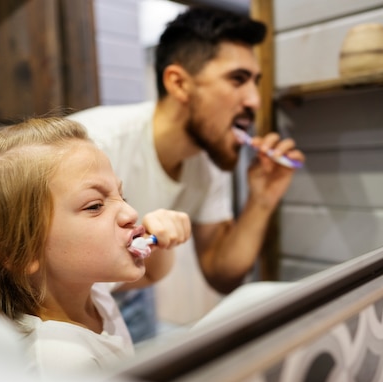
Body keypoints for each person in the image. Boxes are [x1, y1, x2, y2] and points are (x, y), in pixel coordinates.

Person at [68, 6, 305, 342]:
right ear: (178, 83)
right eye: (237, 79)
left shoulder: (206, 160)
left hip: (128, 294)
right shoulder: (93, 144)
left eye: (255, 82)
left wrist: (263, 199)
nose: (254, 100)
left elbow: (222, 273)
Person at [0, 117, 191, 378]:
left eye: (121, 196)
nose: (130, 212)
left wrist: (162, 240)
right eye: (95, 206)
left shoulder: (84, 287)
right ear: (20, 251)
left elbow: (151, 274)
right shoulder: (60, 363)